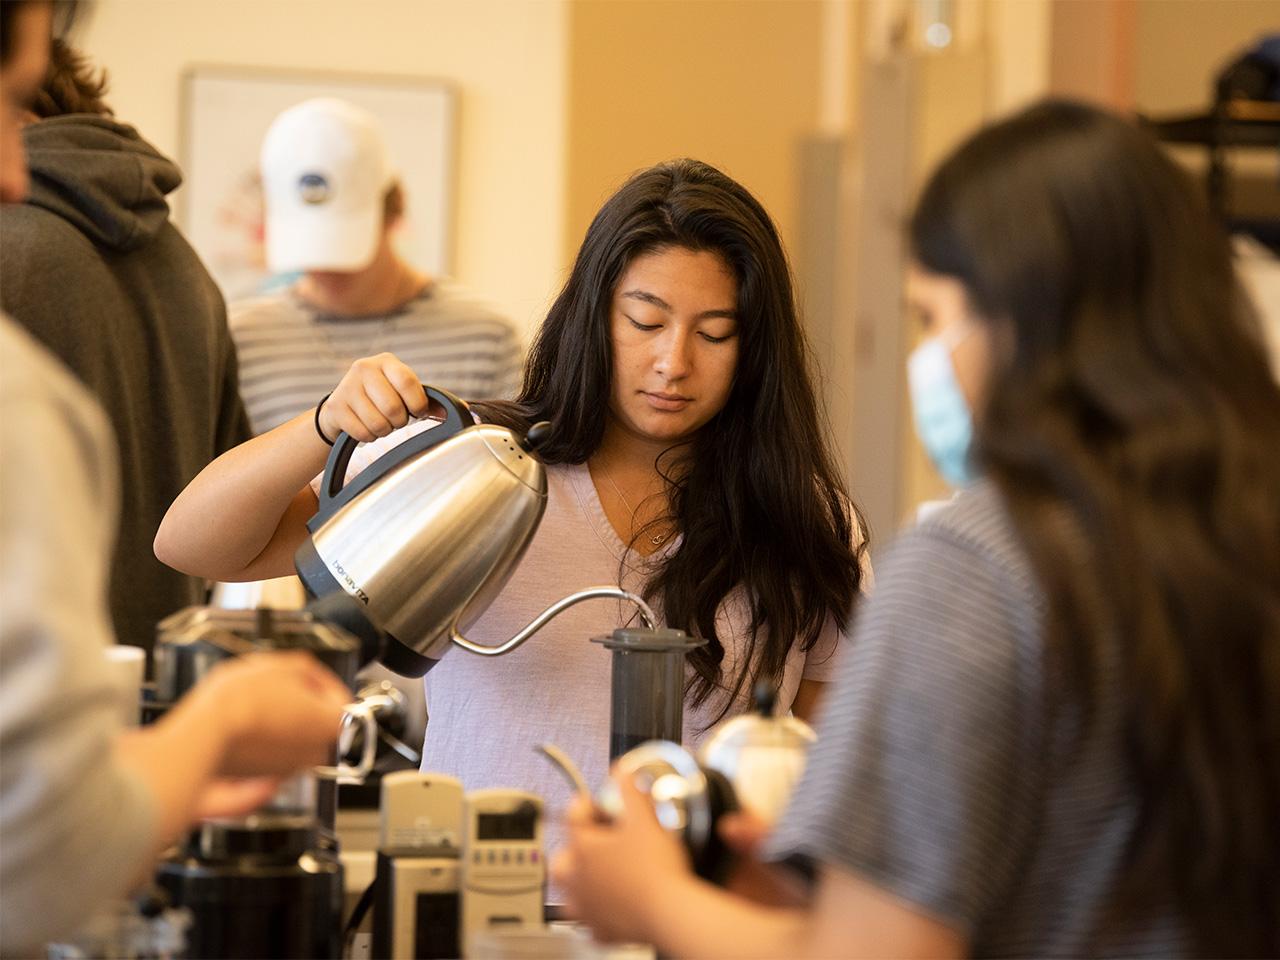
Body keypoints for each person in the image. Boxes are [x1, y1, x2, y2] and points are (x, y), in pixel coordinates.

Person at [552, 100, 1280, 958]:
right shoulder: (1241, 536)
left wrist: (652, 900)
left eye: (935, 318)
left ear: (1027, 323)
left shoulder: (978, 568)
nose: (928, 360)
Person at [155, 158, 871, 867]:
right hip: (472, 911)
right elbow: (191, 545)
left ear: (755, 351)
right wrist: (323, 424)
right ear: (594, 315)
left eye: (715, 333)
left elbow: (812, 780)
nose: (672, 362)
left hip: (687, 925)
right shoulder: (474, 470)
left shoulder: (806, 524)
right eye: (646, 321)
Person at [0, 4, 352, 954]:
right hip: (149, 759)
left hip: (46, 795)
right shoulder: (186, 269)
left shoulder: (11, 263)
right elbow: (246, 530)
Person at [0, 38, 253, 661]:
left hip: (28, 695)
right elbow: (224, 509)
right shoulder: (187, 269)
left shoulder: (7, 246)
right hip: (155, 686)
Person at [229, 97, 523, 436]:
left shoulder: (485, 336)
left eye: (344, 245)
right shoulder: (243, 338)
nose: (325, 268)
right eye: (309, 246)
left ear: (395, 208)